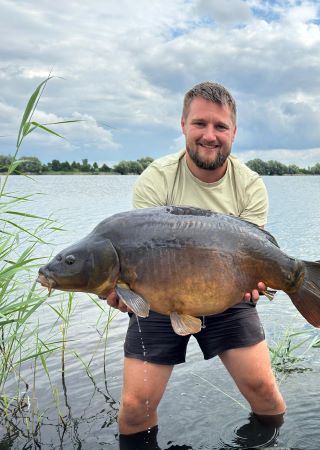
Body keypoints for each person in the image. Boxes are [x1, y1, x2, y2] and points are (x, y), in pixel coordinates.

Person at [104, 81, 285, 449]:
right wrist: (122, 290)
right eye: (200, 123)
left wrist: (255, 283)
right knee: (135, 408)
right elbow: (138, 255)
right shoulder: (157, 178)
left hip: (227, 296)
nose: (209, 135)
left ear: (234, 132)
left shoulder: (249, 185)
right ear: (183, 125)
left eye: (220, 126)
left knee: (265, 392)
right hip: (159, 297)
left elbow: (253, 257)